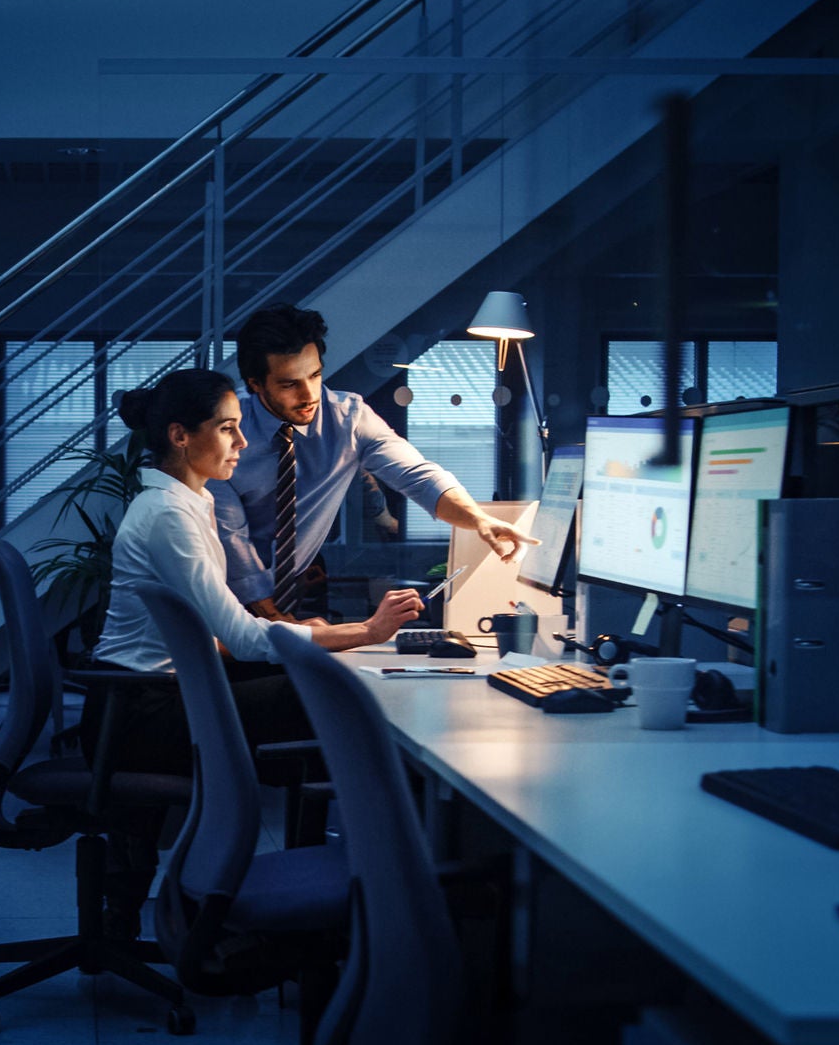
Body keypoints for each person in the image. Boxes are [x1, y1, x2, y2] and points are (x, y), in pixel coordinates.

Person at [86, 368, 426, 933]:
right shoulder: (171, 515)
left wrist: (316, 634)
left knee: (311, 682)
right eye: (226, 429)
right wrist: (363, 632)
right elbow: (243, 637)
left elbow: (220, 632)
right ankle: (346, 899)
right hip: (139, 713)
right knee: (317, 695)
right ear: (179, 436)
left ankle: (324, 893)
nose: (243, 442)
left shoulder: (183, 503)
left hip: (148, 699)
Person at [211, 303, 536, 623]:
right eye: (289, 384)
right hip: (211, 596)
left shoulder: (348, 418)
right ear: (255, 383)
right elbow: (232, 542)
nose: (309, 394)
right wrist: (288, 629)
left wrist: (479, 520)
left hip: (282, 603)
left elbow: (420, 477)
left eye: (315, 375)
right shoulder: (224, 433)